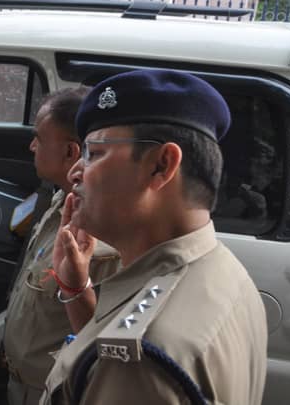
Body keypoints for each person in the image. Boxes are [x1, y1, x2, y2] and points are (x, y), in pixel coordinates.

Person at [40, 70, 268, 404]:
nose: (75, 171)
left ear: (162, 165)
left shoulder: (142, 357)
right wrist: (76, 290)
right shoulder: (224, 272)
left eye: (95, 153)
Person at [3, 88, 119, 405]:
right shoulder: (61, 200)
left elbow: (100, 334)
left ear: (70, 152)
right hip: (20, 382)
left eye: (39, 138)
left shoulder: (99, 242)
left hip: (50, 391)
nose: (32, 146)